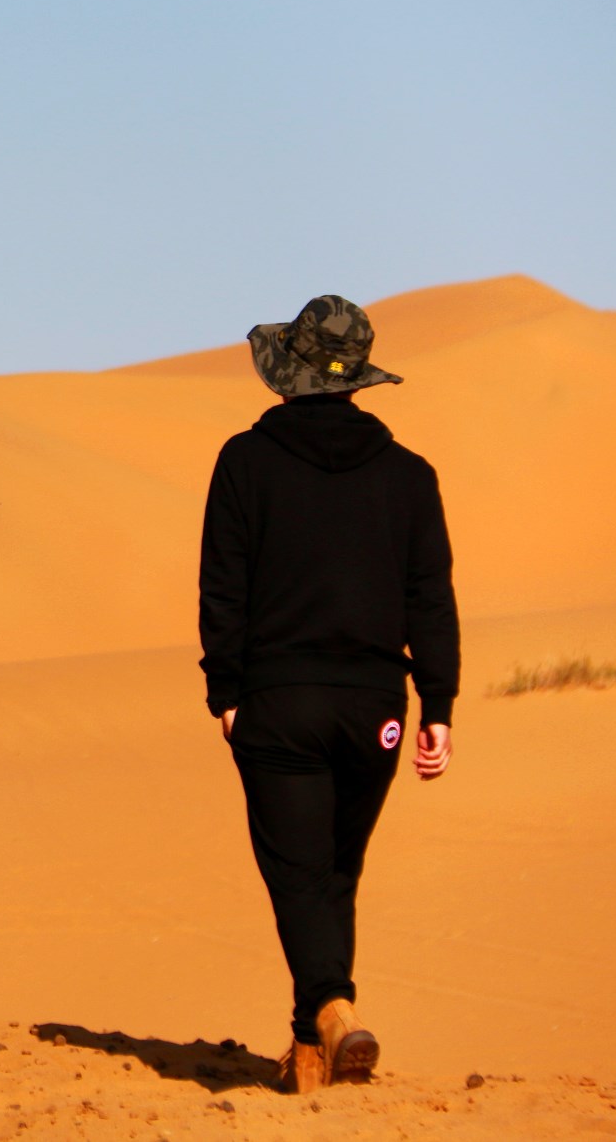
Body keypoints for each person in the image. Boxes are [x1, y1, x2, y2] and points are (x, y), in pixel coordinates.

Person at [198, 294, 458, 1094]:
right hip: (376, 706)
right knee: (333, 872)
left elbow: (223, 586)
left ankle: (334, 1010)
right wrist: (439, 705)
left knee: (299, 873)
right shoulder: (410, 476)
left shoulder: (244, 461)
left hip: (279, 702)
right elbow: (431, 597)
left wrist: (227, 691)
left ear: (288, 376)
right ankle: (309, 1053)